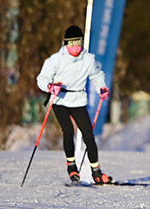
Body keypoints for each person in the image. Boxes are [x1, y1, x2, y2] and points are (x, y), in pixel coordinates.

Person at [36, 25, 113, 184]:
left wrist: (102, 87)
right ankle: (72, 167)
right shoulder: (56, 59)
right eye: (71, 43)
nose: (75, 47)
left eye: (78, 43)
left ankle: (96, 172)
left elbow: (97, 75)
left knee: (88, 135)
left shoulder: (88, 59)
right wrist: (50, 86)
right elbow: (41, 79)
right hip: (60, 100)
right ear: (65, 44)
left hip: (78, 99)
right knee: (68, 130)